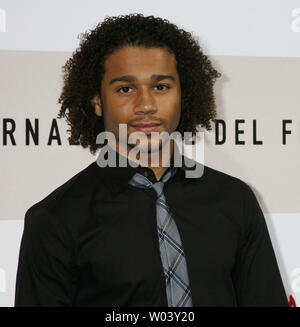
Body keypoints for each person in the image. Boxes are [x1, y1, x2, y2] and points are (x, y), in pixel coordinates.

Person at [15, 14, 288, 307]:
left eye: (161, 87)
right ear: (97, 101)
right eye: (125, 89)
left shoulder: (235, 201)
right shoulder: (55, 220)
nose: (145, 105)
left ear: (183, 94)